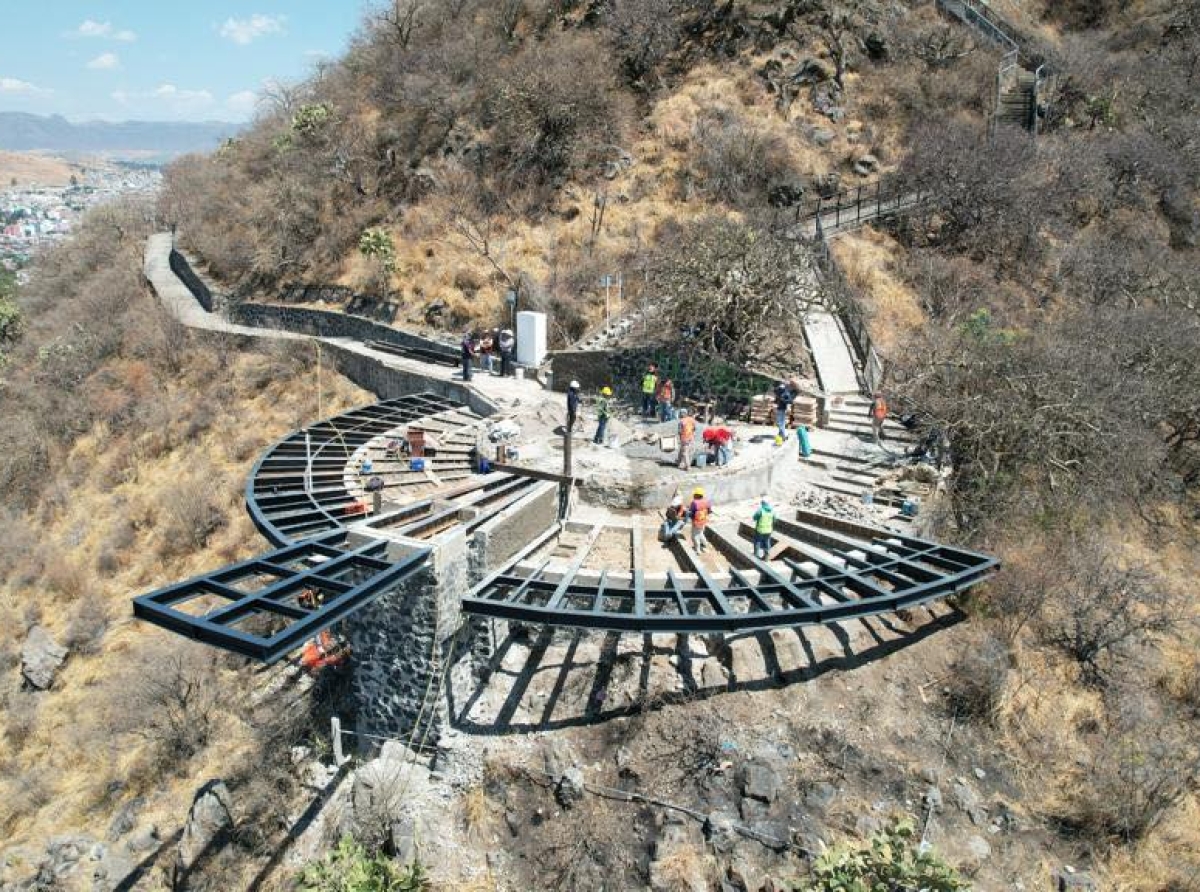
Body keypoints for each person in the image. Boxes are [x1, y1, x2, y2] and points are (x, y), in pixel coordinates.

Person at [687, 487, 713, 553]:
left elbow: (691, 513)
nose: (693, 496)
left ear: (696, 495)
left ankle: (697, 549)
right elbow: (710, 511)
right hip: (703, 521)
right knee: (701, 533)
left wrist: (687, 514)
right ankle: (705, 544)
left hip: (696, 523)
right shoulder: (707, 501)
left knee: (694, 536)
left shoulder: (694, 503)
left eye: (694, 494)